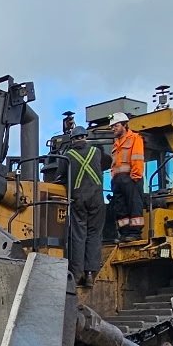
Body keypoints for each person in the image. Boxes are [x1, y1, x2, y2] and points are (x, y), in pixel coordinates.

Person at [60, 116, 108, 288]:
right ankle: (90, 274)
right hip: (97, 200)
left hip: (78, 200)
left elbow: (60, 176)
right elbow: (105, 164)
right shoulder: (97, 152)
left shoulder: (67, 156)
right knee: (94, 234)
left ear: (72, 140)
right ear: (85, 137)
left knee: (78, 235)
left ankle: (77, 273)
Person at [108, 117, 147, 241]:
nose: (113, 128)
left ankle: (135, 233)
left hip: (131, 178)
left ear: (124, 125)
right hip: (118, 181)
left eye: (116, 125)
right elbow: (114, 163)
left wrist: (135, 177)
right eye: (112, 126)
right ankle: (124, 233)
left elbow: (137, 158)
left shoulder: (135, 138)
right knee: (120, 208)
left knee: (134, 206)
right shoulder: (116, 143)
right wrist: (113, 178)